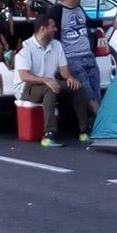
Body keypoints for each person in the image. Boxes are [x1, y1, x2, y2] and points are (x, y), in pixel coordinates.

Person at [48, 0, 117, 134]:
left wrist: (112, 23)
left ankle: (100, 123)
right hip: (72, 58)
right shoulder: (56, 12)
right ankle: (105, 127)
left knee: (96, 92)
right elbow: (49, 35)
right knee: (88, 94)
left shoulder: (78, 9)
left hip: (88, 56)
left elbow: (88, 22)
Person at [14, 14, 86, 148]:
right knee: (50, 88)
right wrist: (45, 80)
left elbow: (64, 70)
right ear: (43, 29)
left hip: (48, 83)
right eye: (53, 27)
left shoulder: (56, 45)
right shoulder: (26, 47)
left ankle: (84, 130)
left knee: (76, 87)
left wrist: (70, 78)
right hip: (27, 87)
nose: (56, 29)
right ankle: (49, 134)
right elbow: (24, 76)